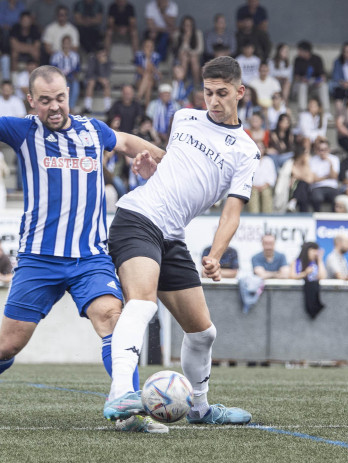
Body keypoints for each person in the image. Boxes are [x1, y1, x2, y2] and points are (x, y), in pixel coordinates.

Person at [0, 64, 167, 432]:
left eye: (61, 98)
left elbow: (129, 143)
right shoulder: (24, 131)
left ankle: (131, 412)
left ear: (69, 94)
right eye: (46, 101)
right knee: (8, 345)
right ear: (31, 101)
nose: (55, 107)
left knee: (114, 321)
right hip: (39, 260)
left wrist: (165, 162)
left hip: (90, 257)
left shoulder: (92, 130)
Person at [103, 56, 256, 428]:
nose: (214, 101)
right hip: (137, 219)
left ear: (240, 92)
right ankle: (122, 392)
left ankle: (200, 410)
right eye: (208, 92)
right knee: (141, 304)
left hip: (172, 237)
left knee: (204, 333)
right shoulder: (184, 117)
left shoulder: (246, 151)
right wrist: (152, 168)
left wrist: (216, 255)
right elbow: (177, 164)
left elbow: (231, 212)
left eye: (222, 93)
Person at [292, 40, 329, 112]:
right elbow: (296, 77)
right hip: (301, 83)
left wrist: (320, 81)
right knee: (302, 85)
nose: (298, 52)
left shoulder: (317, 59)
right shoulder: (297, 60)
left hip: (314, 83)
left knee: (324, 86)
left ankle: (326, 111)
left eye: (300, 50)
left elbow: (323, 75)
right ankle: (302, 110)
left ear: (306, 51)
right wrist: (302, 79)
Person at [308, 138, 339, 212]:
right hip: (317, 187)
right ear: (317, 150)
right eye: (320, 150)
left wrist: (330, 164)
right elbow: (313, 179)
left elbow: (334, 176)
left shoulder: (334, 159)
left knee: (337, 199)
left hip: (332, 187)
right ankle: (317, 217)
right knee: (316, 198)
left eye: (325, 149)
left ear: (329, 150)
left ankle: (333, 219)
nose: (322, 152)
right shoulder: (312, 160)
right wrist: (327, 177)